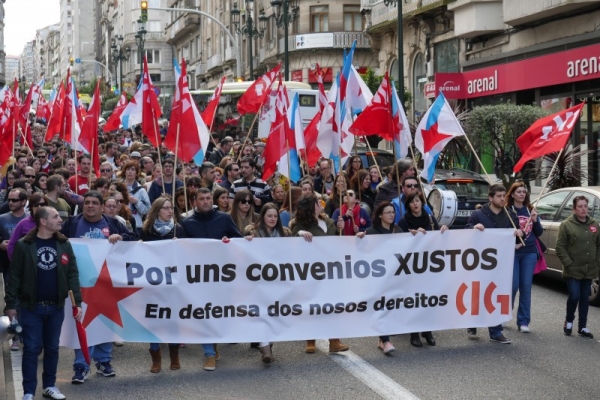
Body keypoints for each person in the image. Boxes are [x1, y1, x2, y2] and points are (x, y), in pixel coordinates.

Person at [5, 206, 82, 400]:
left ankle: (50, 386)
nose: (60, 219)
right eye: (55, 217)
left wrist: (77, 302)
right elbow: (14, 276)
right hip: (31, 307)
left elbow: (72, 273)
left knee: (52, 348)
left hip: (56, 307)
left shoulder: (64, 244)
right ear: (43, 222)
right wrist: (11, 304)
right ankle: (28, 391)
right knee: (31, 349)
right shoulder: (25, 245)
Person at [61, 191, 136, 383]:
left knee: (105, 322)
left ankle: (104, 362)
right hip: (81, 285)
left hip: (107, 284)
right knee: (83, 322)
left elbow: (133, 239)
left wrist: (120, 238)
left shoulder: (113, 223)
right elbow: (60, 242)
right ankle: (81, 365)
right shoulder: (72, 223)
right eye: (87, 203)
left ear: (102, 206)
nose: (90, 206)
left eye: (95, 203)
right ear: (83, 205)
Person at [181, 188, 241, 371]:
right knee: (204, 314)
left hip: (223, 276)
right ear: (194, 202)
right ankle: (208, 353)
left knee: (220, 313)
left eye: (208, 198)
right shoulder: (186, 223)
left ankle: (214, 345)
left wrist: (229, 242)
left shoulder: (224, 218)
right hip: (198, 278)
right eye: (202, 199)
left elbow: (238, 240)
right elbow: (180, 250)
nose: (206, 201)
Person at [290, 194, 350, 354]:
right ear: (311, 206)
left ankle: (334, 341)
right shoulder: (300, 224)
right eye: (318, 202)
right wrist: (301, 233)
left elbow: (337, 242)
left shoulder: (329, 222)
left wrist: (341, 228)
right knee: (313, 305)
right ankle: (310, 340)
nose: (321, 203)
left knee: (332, 305)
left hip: (331, 269)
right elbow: (292, 238)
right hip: (312, 271)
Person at [465, 184, 522, 344]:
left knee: (497, 295)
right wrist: (473, 228)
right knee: (478, 293)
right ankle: (473, 322)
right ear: (491, 198)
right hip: (480, 263)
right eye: (499, 196)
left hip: (501, 264)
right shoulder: (478, 214)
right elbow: (466, 232)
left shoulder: (510, 215)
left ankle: (496, 330)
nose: (503, 199)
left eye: (504, 196)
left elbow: (516, 239)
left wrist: (518, 234)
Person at [140, 196, 186, 372]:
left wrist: (179, 246)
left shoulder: (178, 230)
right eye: (166, 208)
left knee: (172, 319)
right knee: (154, 319)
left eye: (171, 208)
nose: (169, 211)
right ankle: (156, 357)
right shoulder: (146, 230)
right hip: (152, 283)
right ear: (157, 211)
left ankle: (174, 356)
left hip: (172, 282)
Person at [243, 203, 291, 364]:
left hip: (278, 281)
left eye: (275, 216)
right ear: (262, 217)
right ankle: (264, 348)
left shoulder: (285, 234)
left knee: (275, 313)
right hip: (258, 281)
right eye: (269, 216)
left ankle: (269, 344)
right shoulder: (253, 233)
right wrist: (248, 241)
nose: (272, 219)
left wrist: (303, 233)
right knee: (261, 313)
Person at [398, 191, 448, 348]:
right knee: (415, 300)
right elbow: (396, 240)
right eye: (412, 201)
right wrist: (409, 235)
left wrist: (443, 230)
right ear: (408, 205)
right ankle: (414, 333)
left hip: (429, 264)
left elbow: (437, 236)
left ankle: (428, 331)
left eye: (418, 201)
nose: (415, 204)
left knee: (429, 299)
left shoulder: (430, 219)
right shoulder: (404, 221)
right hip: (412, 266)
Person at [356, 201, 403, 354]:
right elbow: (363, 252)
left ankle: (382, 340)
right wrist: (360, 239)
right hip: (379, 277)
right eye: (388, 212)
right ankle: (386, 340)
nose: (391, 215)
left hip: (395, 276)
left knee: (391, 308)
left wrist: (415, 235)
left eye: (393, 212)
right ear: (380, 215)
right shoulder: (371, 232)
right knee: (381, 307)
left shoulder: (398, 230)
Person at [556, 195, 600, 339]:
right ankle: (569, 321)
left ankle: (583, 327)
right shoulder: (566, 225)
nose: (583, 209)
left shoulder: (594, 224)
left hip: (589, 268)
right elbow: (560, 247)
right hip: (573, 269)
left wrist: (597, 262)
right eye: (580, 206)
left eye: (585, 206)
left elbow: (598, 246)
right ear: (574, 209)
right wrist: (569, 264)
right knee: (574, 296)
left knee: (585, 299)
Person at [506, 182, 543, 333]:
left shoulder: (530, 210)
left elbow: (539, 232)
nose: (522, 194)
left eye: (524, 192)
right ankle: (503, 315)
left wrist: (535, 220)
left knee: (526, 287)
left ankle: (523, 321)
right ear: (513, 194)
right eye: (519, 191)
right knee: (513, 286)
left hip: (529, 253)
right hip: (513, 252)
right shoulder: (508, 211)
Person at [121, 161, 151, 234]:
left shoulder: (141, 190)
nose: (130, 172)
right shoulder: (118, 187)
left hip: (136, 225)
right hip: (120, 223)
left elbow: (147, 210)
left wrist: (137, 202)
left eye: (133, 169)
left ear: (137, 173)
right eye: (128, 169)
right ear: (125, 172)